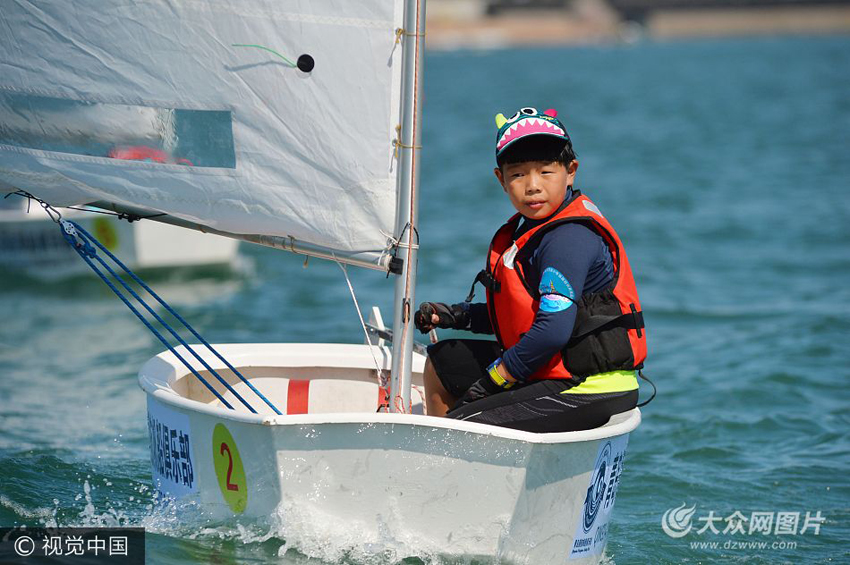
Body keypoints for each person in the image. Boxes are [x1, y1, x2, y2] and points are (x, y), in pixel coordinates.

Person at [414, 106, 649, 433]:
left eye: (545, 172)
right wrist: (458, 316)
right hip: (553, 368)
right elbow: (523, 316)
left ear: (571, 171)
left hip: (589, 386)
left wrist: (494, 380)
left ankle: (442, 465)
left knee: (461, 428)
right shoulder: (531, 231)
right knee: (444, 359)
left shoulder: (567, 239)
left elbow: (552, 331)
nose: (533, 186)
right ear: (501, 179)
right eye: (518, 174)